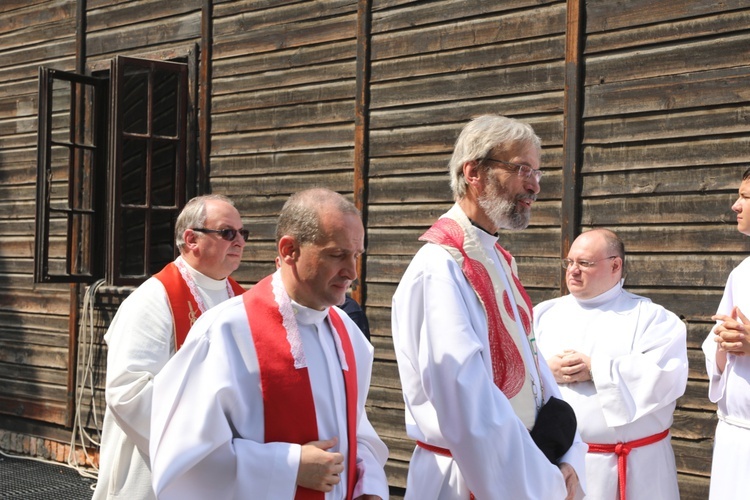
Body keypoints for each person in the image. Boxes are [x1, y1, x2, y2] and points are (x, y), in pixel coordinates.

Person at [391, 114, 587, 499]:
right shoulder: (439, 269)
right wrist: (538, 480)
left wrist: (566, 458)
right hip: (471, 478)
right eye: (521, 169)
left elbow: (534, 372)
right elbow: (466, 401)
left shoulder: (498, 260)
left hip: (527, 464)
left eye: (537, 172)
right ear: (474, 172)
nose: (534, 185)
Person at [149, 188, 389, 500]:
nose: (352, 272)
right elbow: (183, 463)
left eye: (356, 255)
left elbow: (355, 429)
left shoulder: (348, 335)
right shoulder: (225, 332)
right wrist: (288, 466)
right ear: (289, 250)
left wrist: (369, 485)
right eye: (336, 254)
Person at [93, 194, 247, 499]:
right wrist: (200, 443)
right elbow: (128, 393)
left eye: (243, 233)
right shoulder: (152, 300)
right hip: (158, 461)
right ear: (191, 239)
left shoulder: (240, 301)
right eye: (228, 232)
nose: (239, 241)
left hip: (224, 458)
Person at [534, 228, 688, 500]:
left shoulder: (654, 319)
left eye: (584, 263)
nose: (573, 270)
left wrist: (596, 369)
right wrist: (545, 370)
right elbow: (513, 372)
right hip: (556, 465)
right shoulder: (543, 314)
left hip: (631, 467)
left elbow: (664, 378)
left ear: (615, 265)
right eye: (569, 262)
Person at [702, 167, 750, 499]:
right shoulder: (742, 273)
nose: (735, 205)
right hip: (734, 434)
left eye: (746, 197)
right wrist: (724, 342)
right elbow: (716, 345)